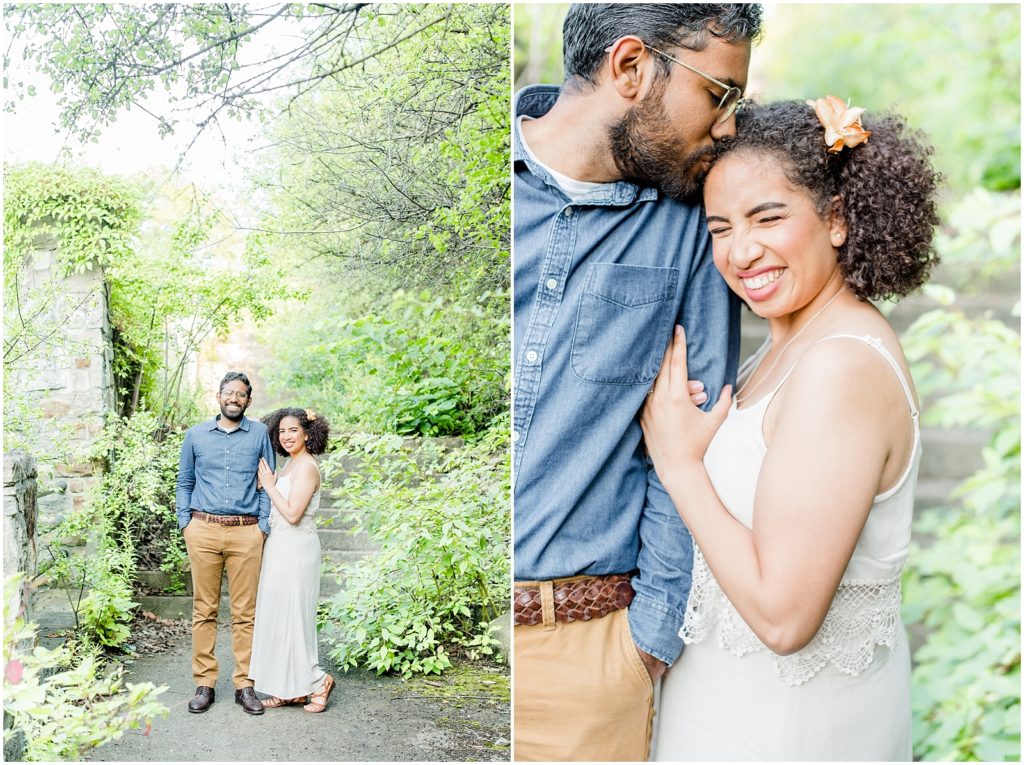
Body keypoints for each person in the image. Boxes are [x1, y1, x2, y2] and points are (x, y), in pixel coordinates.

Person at [640, 97, 941, 760]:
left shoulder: (840, 365)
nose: (741, 250)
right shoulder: (785, 348)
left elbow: (784, 616)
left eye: (767, 218)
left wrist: (681, 463)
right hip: (731, 708)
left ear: (835, 218)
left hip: (790, 729)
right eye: (720, 228)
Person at [512, 4, 762, 760]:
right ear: (630, 67)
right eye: (720, 95)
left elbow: (696, 435)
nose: (727, 127)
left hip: (587, 665)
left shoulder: (695, 224)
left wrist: (646, 639)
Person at [176, 371, 276, 715]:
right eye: (229, 392)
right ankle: (205, 683)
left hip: (246, 531)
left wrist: (262, 526)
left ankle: (245, 685)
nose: (234, 398)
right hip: (202, 529)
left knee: (245, 613)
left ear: (249, 400)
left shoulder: (260, 434)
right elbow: (185, 481)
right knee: (203, 610)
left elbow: (267, 482)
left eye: (241, 394)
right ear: (218, 396)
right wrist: (185, 522)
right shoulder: (195, 436)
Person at [249, 407, 335, 713]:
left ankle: (318, 681)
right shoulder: (288, 465)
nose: (286, 436)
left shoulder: (308, 467)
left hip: (298, 550)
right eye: (282, 431)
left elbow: (293, 513)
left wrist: (269, 486)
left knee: (295, 619)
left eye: (293, 431)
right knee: (279, 618)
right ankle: (290, 689)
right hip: (279, 546)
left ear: (308, 434)